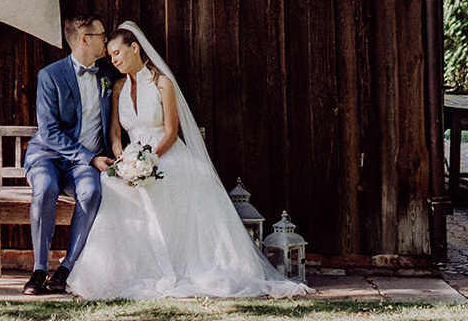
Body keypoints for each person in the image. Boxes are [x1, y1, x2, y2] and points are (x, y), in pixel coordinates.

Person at [65, 21, 312, 299]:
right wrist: (124, 159)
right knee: (111, 187)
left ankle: (181, 266)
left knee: (166, 183)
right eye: (111, 56)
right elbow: (113, 133)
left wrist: (146, 161)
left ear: (134, 48)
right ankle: (118, 273)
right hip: (132, 158)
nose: (114, 60)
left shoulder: (162, 83)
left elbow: (171, 132)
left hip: (165, 154)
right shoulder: (119, 87)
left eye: (117, 53)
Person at [22, 14, 118, 295]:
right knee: (44, 189)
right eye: (102, 35)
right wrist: (89, 158)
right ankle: (39, 270)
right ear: (84, 40)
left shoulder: (110, 75)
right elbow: (49, 131)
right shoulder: (50, 75)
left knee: (91, 193)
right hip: (48, 157)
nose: (107, 40)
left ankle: (66, 270)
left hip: (85, 163)